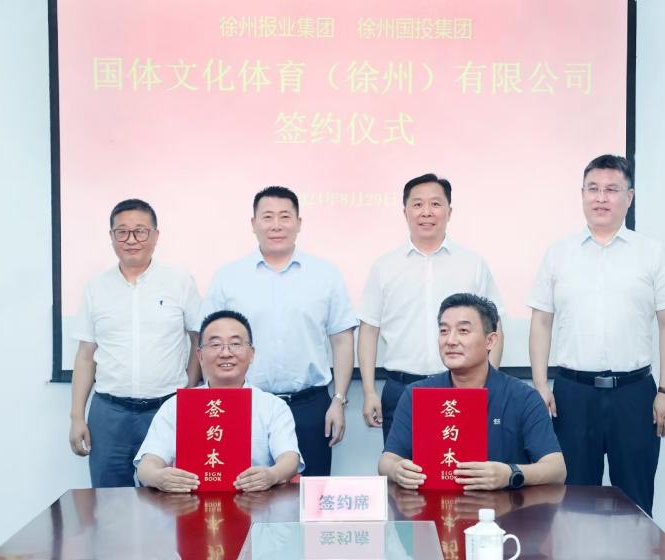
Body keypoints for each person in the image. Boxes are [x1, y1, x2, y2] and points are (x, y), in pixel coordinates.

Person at [528, 154, 665, 516]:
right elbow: (541, 322)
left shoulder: (650, 252)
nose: (601, 197)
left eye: (611, 189)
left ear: (629, 197)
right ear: (582, 194)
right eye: (593, 189)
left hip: (635, 395)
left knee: (636, 503)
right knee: (572, 503)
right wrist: (540, 385)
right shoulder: (558, 254)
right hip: (573, 395)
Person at [199, 186, 357, 476]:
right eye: (267, 217)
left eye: (285, 216)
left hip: (310, 406)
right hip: (245, 406)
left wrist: (339, 400)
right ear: (253, 223)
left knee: (309, 495)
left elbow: (342, 340)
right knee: (243, 491)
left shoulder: (325, 274)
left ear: (299, 223)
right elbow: (208, 342)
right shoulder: (228, 277)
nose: (276, 225)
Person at [359, 173, 506, 441]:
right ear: (405, 212)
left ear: (449, 211)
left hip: (462, 388)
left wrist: (487, 385)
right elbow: (368, 331)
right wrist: (369, 391)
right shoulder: (384, 266)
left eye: (435, 204)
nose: (426, 212)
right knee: (400, 465)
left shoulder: (472, 264)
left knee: (465, 465)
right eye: (417, 204)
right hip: (402, 389)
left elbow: (494, 329)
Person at [69, 199, 202, 487]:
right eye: (122, 232)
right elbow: (85, 355)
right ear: (111, 236)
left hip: (167, 409)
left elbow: (198, 340)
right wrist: (77, 417)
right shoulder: (96, 287)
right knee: (109, 500)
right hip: (109, 413)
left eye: (140, 231)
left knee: (170, 500)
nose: (131, 240)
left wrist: (189, 392)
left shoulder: (179, 280)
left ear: (156, 235)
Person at [378, 293, 565, 490]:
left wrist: (510, 473)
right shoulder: (416, 394)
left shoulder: (522, 397)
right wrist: (396, 470)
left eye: (463, 331)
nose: (450, 340)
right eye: (444, 331)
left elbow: (557, 469)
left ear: (490, 341)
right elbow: (387, 461)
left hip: (503, 506)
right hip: (433, 505)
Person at [135, 310, 303, 493]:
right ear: (200, 355)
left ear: (251, 353)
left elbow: (290, 459)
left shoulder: (273, 406)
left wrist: (272, 475)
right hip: (188, 504)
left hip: (257, 502)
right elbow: (146, 465)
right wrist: (158, 477)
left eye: (235, 344)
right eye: (215, 344)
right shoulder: (176, 405)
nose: (226, 353)